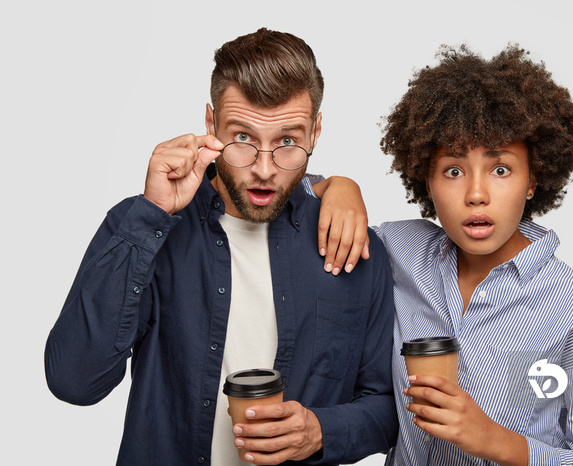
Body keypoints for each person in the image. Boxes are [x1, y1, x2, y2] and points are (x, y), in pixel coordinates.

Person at [44, 28, 397, 466]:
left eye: (288, 141)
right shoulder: (143, 227)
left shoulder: (354, 246)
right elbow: (74, 381)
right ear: (210, 124)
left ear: (316, 130)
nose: (265, 170)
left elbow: (389, 406)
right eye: (243, 138)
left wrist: (321, 432)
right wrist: (152, 215)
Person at [317, 44, 573, 465]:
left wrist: (494, 440)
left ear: (533, 179)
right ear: (427, 182)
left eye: (500, 169)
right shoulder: (400, 251)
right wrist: (339, 186)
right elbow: (282, 191)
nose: (476, 194)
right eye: (453, 170)